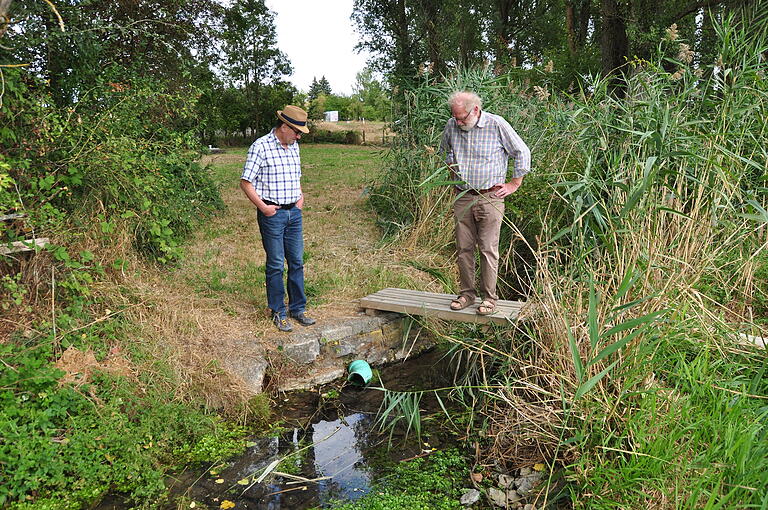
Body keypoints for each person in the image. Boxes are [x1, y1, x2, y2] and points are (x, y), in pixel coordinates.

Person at [440, 91, 531, 316]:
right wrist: (453, 173)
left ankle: (489, 299)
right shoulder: (452, 125)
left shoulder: (496, 124)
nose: (458, 122)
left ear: (476, 110)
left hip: (491, 196)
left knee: (488, 249)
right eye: (456, 117)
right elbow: (445, 152)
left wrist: (514, 183)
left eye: (462, 117)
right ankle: (467, 294)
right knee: (463, 248)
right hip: (463, 195)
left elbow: (522, 151)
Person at [240, 105, 316, 332]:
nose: (299, 136)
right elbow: (246, 182)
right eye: (297, 131)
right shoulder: (260, 147)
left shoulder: (294, 147)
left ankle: (297, 309)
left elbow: (297, 176)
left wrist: (300, 197)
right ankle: (278, 311)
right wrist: (264, 208)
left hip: (294, 213)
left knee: (296, 262)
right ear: (284, 127)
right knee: (275, 264)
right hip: (272, 215)